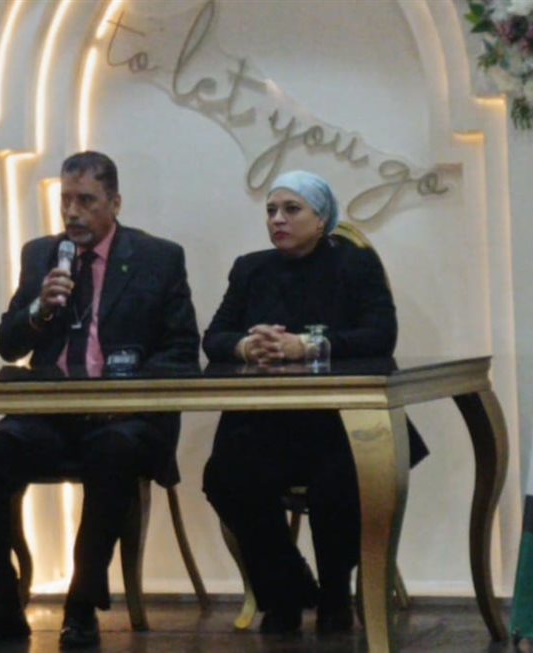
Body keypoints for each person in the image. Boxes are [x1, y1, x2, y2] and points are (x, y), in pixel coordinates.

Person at [0, 151, 199, 650]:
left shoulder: (158, 258)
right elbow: (9, 345)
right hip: (50, 416)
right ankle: (1, 607)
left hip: (125, 419)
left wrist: (127, 395)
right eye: (66, 200)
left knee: (113, 453)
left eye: (86, 201)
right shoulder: (42, 254)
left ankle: (81, 605)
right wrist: (39, 308)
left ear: (115, 203)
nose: (72, 213)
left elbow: (181, 351)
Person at [201, 170, 427, 635]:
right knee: (225, 475)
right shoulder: (250, 269)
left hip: (341, 423)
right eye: (271, 211)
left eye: (291, 209)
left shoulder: (355, 264)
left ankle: (335, 594)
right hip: (268, 424)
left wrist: (308, 346)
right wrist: (248, 346)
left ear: (321, 219)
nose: (277, 220)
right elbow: (215, 337)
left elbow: (380, 336)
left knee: (338, 482)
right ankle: (286, 589)